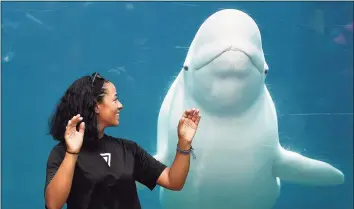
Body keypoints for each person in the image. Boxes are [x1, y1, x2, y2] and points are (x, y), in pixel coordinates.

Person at [44, 72, 201, 209]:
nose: (120, 105)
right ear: (96, 106)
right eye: (114, 99)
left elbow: (174, 181)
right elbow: (53, 205)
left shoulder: (128, 149)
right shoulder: (61, 153)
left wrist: (184, 143)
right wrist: (72, 152)